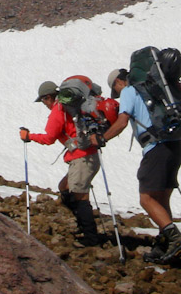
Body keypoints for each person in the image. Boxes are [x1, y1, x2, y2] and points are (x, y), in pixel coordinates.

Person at [102, 67, 181, 262]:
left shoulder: (128, 91)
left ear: (118, 82)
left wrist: (102, 138)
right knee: (161, 198)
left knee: (147, 198)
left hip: (156, 148)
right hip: (175, 145)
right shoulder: (153, 89)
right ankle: (164, 244)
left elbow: (122, 121)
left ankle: (175, 239)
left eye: (116, 90)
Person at [19, 79, 114, 246]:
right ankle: (84, 227)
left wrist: (29, 137)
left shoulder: (58, 110)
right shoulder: (68, 107)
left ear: (48, 97)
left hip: (82, 157)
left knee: (80, 194)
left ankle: (90, 238)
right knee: (65, 187)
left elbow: (49, 138)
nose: (44, 104)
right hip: (87, 155)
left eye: (43, 100)